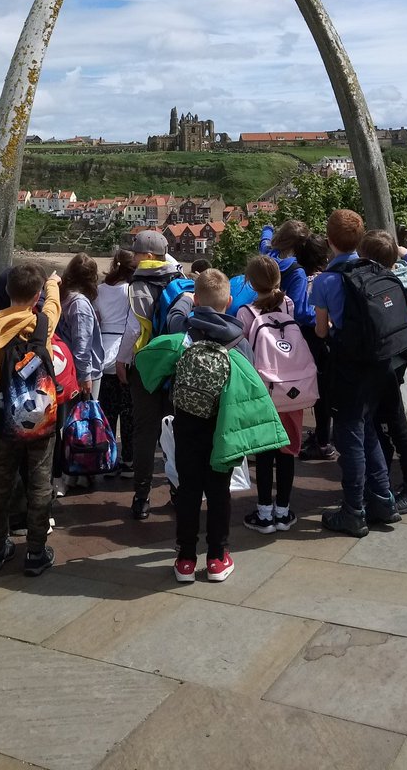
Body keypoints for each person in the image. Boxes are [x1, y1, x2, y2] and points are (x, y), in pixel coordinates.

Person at [136, 269, 284, 584]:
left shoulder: (181, 333)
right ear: (229, 301)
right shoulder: (238, 339)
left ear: (196, 301)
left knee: (187, 490)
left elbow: (150, 359)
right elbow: (249, 384)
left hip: (187, 424)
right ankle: (217, 557)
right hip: (223, 425)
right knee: (219, 492)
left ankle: (186, 559)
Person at [0, 262, 61, 576]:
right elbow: (54, 302)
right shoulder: (44, 322)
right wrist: (52, 283)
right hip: (40, 418)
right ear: (36, 295)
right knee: (39, 484)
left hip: (2, 418)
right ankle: (36, 551)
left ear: (7, 292)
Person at [313, 209, 399, 537]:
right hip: (380, 363)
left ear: (329, 239)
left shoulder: (326, 280)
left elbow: (321, 332)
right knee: (369, 430)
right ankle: (383, 500)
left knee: (348, 437)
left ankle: (353, 511)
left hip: (349, 365)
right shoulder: (375, 270)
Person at [358, 230, 407, 516]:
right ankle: (401, 485)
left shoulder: (380, 284)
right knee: (391, 421)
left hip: (384, 362)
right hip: (401, 358)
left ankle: (406, 488)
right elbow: (402, 255)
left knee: (388, 424)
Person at [115, 230, 183, 520]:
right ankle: (178, 492)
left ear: (148, 256)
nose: (134, 257)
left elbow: (133, 330)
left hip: (144, 367)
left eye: (138, 253)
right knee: (173, 430)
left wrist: (121, 360)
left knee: (145, 432)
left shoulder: (139, 286)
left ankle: (141, 498)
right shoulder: (179, 279)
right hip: (174, 364)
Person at [238, 254, 308, 534]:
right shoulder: (288, 303)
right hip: (291, 389)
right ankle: (283, 510)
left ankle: (264, 513)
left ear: (250, 282)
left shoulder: (245, 312)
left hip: (263, 390)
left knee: (265, 452)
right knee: (288, 452)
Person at [57, 253, 105, 489]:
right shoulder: (81, 304)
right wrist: (85, 375)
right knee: (85, 423)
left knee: (68, 423)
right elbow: (82, 344)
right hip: (82, 373)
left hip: (65, 371)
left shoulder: (62, 296)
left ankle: (70, 472)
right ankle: (82, 469)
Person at [292, 232, 336, 461]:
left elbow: (299, 311)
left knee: (320, 392)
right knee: (328, 390)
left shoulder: (305, 280)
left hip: (313, 339)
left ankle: (322, 442)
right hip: (334, 340)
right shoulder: (332, 277)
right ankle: (325, 436)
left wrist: (319, 322)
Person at [96, 249, 135, 478]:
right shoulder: (131, 291)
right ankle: (128, 460)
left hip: (104, 350)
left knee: (107, 412)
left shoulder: (100, 290)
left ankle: (108, 459)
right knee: (129, 412)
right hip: (125, 351)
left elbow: (99, 319)